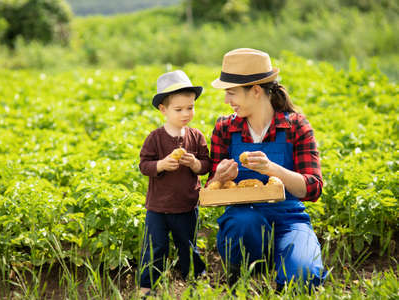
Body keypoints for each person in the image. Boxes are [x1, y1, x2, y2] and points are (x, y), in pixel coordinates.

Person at [207, 48, 327, 291]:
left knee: (302, 276)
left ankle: (288, 260)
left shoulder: (296, 126)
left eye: (231, 93)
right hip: (244, 218)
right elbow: (211, 191)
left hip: (289, 218)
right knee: (243, 222)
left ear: (255, 91)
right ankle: (246, 271)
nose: (226, 101)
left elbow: (313, 188)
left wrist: (274, 169)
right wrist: (218, 178)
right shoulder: (224, 128)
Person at [138, 70, 211, 295]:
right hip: (158, 207)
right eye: (179, 109)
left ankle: (196, 279)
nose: (186, 113)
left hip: (187, 205)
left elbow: (207, 164)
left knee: (187, 245)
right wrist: (161, 165)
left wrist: (195, 164)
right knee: (155, 247)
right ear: (163, 109)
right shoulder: (155, 138)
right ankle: (147, 286)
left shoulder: (196, 136)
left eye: (190, 108)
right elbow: (144, 165)